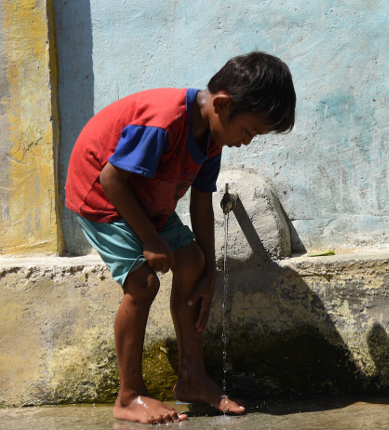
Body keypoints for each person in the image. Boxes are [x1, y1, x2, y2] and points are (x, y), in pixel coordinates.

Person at [65, 52, 296, 424]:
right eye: (249, 131)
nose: (247, 142)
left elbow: (201, 202)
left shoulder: (212, 139)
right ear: (222, 105)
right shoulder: (164, 124)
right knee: (143, 284)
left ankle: (192, 378)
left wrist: (211, 270)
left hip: (147, 198)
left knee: (192, 263)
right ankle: (129, 396)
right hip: (102, 197)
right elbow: (111, 179)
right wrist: (149, 239)